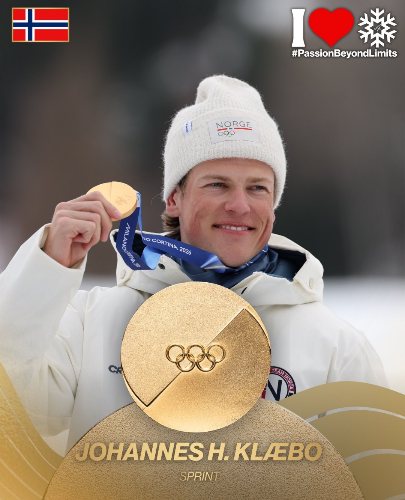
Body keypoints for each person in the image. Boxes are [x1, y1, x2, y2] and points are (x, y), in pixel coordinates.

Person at [0, 75, 386, 453]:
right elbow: (13, 409)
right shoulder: (94, 324)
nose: (239, 205)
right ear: (174, 199)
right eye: (217, 184)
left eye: (257, 188)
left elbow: (375, 473)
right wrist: (45, 269)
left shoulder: (334, 347)